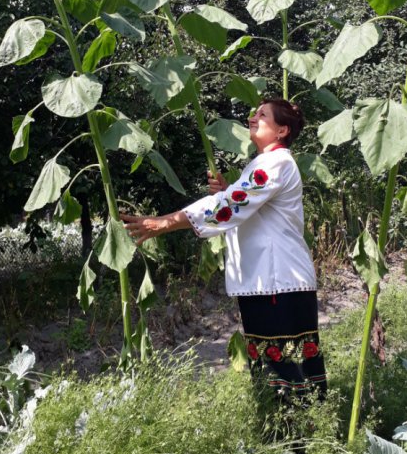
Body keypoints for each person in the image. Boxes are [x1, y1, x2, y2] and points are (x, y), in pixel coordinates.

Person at [121, 98, 327, 406]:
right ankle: (289, 436)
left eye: (263, 115)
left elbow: (228, 208)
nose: (253, 118)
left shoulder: (276, 162)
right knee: (280, 368)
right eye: (254, 113)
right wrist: (229, 190)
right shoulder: (264, 164)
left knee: (286, 372)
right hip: (268, 282)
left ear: (282, 130)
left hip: (277, 281)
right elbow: (245, 206)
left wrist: (162, 223)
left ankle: (297, 441)